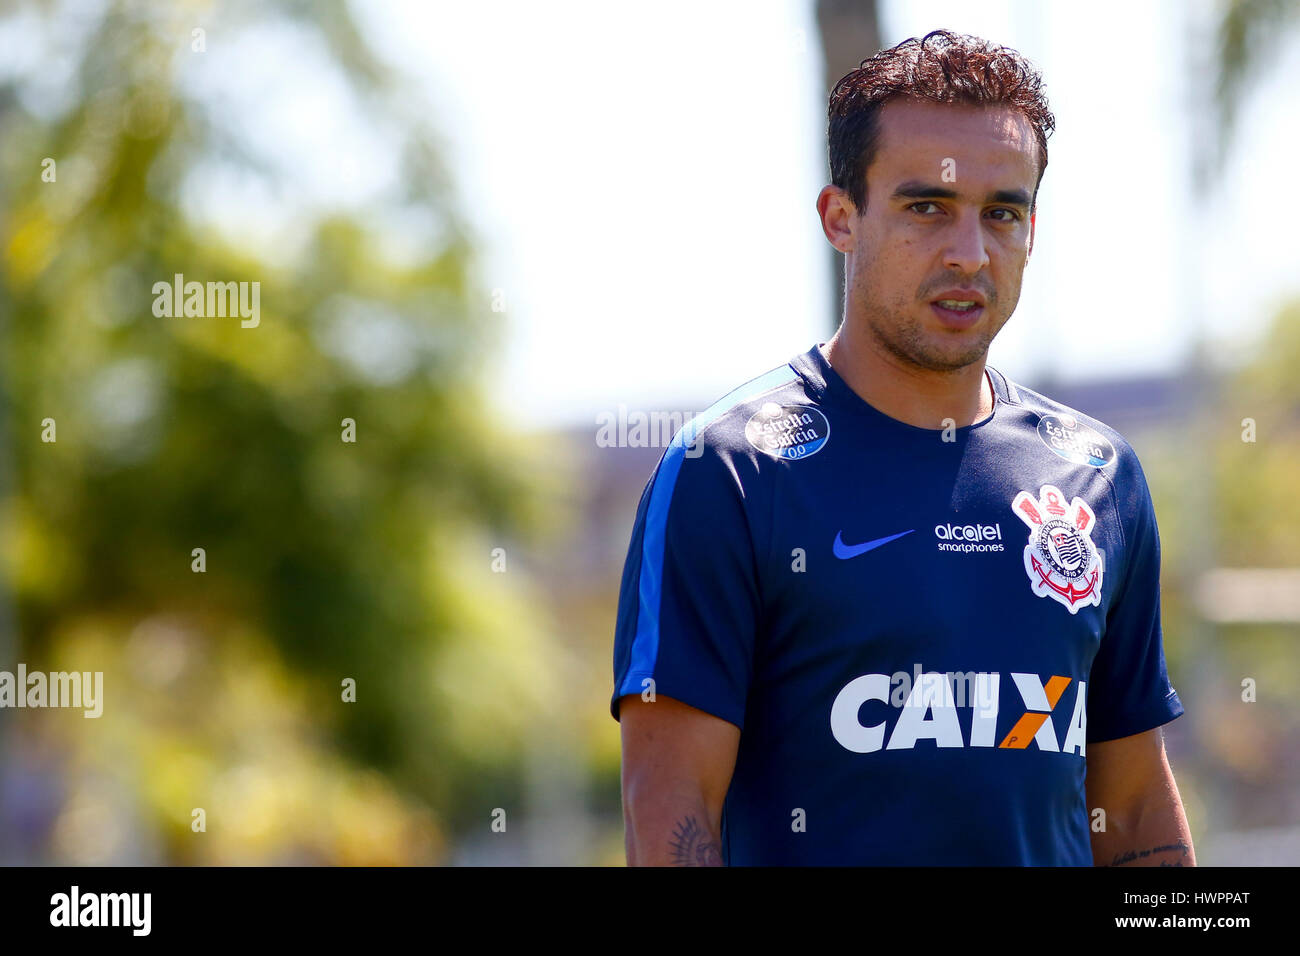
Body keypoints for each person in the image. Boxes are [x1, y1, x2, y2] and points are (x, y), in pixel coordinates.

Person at [611, 30, 1195, 866]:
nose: (969, 253)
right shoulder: (731, 473)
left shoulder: (1098, 474)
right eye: (927, 207)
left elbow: (1134, 804)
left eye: (1003, 213)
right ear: (840, 218)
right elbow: (671, 816)